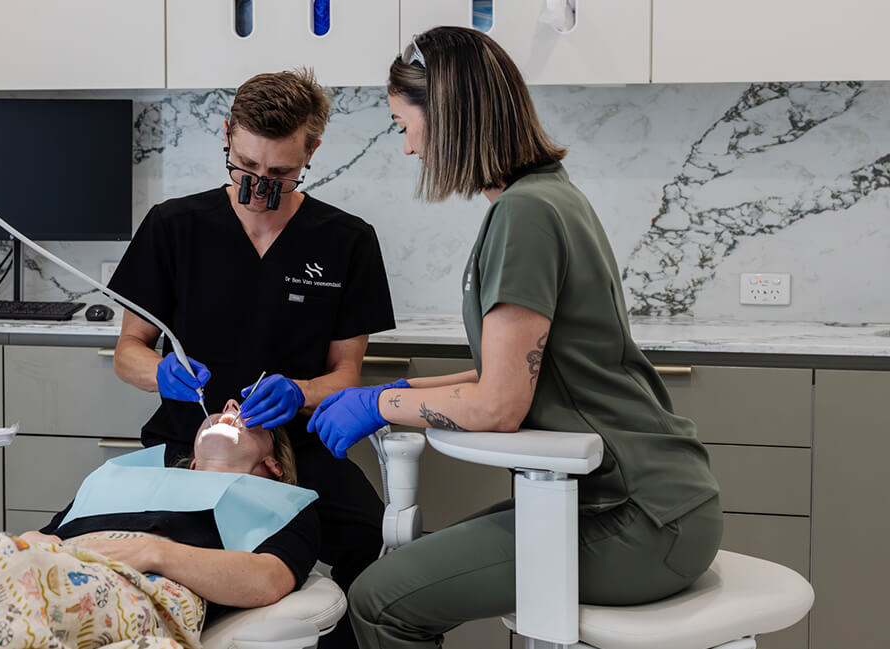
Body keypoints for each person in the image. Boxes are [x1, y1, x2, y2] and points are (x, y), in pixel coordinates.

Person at [305, 27, 723, 649]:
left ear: (445, 117)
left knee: (379, 599)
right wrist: (394, 390)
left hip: (638, 518)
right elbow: (506, 377)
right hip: (646, 501)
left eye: (402, 125)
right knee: (413, 568)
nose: (407, 148)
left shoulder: (524, 214)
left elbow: (499, 407)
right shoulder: (544, 196)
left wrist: (378, 405)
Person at [107, 68, 396, 647]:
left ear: (311, 151)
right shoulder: (174, 227)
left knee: (366, 532)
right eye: (245, 166)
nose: (259, 185)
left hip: (295, 450)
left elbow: (345, 375)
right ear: (227, 135)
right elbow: (127, 353)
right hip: (189, 445)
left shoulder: (347, 241)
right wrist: (161, 373)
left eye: (280, 174)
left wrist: (301, 392)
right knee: (105, 534)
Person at [0, 402, 319, 649]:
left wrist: (155, 552)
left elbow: (269, 580)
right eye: (225, 408)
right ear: (192, 463)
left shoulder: (282, 504)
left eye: (244, 413)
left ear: (274, 465)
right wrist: (32, 542)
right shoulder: (124, 478)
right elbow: (48, 537)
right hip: (44, 563)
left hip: (140, 587)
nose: (230, 406)